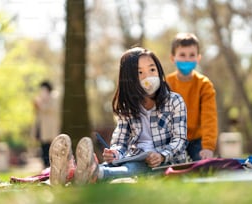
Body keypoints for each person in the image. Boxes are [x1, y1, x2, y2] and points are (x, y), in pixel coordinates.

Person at [49, 47, 188, 185]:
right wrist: (114, 153)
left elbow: (180, 139)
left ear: (159, 70)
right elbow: (121, 142)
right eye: (140, 72)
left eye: (152, 69)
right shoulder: (128, 106)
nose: (148, 77)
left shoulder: (174, 101)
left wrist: (162, 156)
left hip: (167, 163)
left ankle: (94, 173)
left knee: (132, 168)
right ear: (129, 80)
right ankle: (71, 173)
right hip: (136, 158)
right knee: (123, 165)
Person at [166, 33, 218, 161]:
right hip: (172, 138)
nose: (187, 59)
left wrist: (208, 147)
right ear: (173, 58)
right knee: (168, 168)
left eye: (192, 55)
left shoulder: (204, 85)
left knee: (203, 165)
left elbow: (209, 117)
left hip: (197, 140)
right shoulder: (166, 84)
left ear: (198, 58)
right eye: (182, 55)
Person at [32, 80, 60, 168]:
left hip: (51, 128)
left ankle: (52, 166)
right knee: (44, 147)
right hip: (42, 128)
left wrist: (41, 104)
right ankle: (45, 166)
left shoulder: (54, 96)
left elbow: (51, 108)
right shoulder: (41, 98)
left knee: (51, 147)